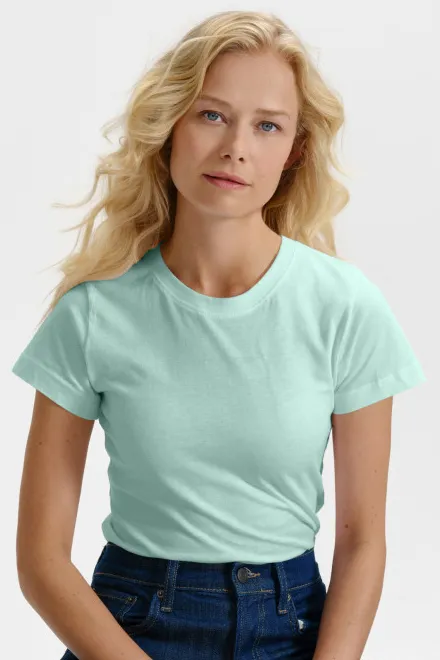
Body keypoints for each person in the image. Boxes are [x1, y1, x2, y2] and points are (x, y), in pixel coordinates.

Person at [12, 10, 426, 660]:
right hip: (124, 629)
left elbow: (362, 541)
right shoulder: (93, 313)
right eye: (211, 114)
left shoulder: (345, 308)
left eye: (268, 125)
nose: (236, 147)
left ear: (294, 151)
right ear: (170, 125)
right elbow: (40, 559)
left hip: (290, 632)